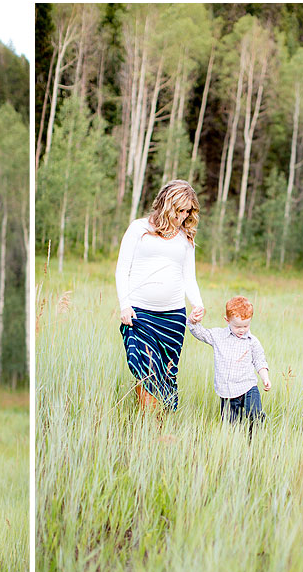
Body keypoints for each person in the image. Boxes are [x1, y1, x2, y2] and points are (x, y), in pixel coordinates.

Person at [115, 179, 205, 411]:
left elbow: (189, 277)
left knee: (165, 375)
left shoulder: (185, 237)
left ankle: (157, 427)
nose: (184, 216)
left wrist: (197, 304)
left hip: (173, 317)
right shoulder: (139, 228)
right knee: (145, 368)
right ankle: (147, 422)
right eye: (179, 210)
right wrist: (125, 305)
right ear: (166, 205)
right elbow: (122, 269)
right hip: (140, 313)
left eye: (188, 211)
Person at [187, 295, 271, 436]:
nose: (242, 330)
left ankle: (254, 440)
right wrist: (192, 322)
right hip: (227, 391)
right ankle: (235, 445)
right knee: (232, 427)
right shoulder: (218, 336)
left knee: (255, 414)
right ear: (227, 320)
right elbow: (200, 333)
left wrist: (265, 378)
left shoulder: (252, 341)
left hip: (248, 387)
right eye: (237, 326)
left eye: (246, 326)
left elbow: (260, 361)